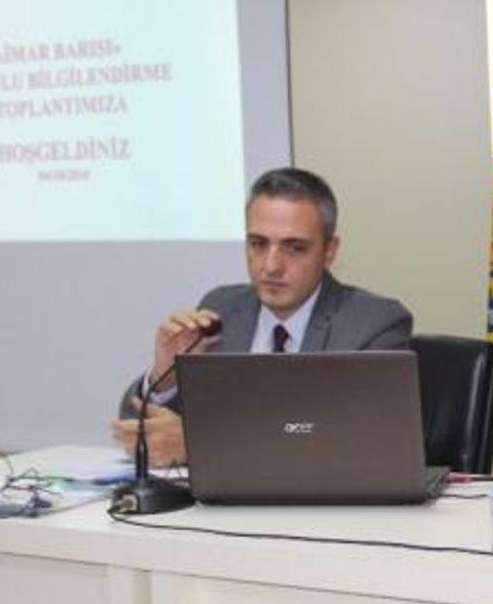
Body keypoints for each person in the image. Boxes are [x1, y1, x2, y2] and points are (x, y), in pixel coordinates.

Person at [110, 167, 413, 465]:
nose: (271, 266)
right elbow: (136, 431)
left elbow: (360, 443)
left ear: (329, 251)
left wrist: (199, 446)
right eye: (258, 244)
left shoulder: (372, 324)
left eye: (294, 248)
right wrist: (165, 379)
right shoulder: (222, 309)